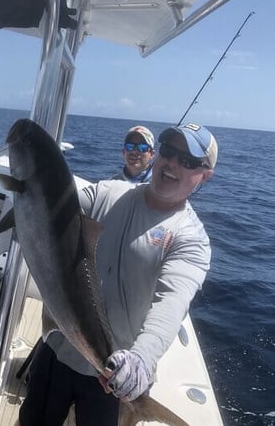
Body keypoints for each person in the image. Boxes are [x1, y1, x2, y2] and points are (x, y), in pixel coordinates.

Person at [18, 122, 218, 426]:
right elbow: (55, 201)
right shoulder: (109, 193)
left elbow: (171, 305)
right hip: (60, 348)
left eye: (188, 161)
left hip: (117, 374)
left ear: (205, 175)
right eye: (169, 150)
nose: (173, 163)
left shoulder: (190, 239)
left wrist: (141, 360)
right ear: (158, 155)